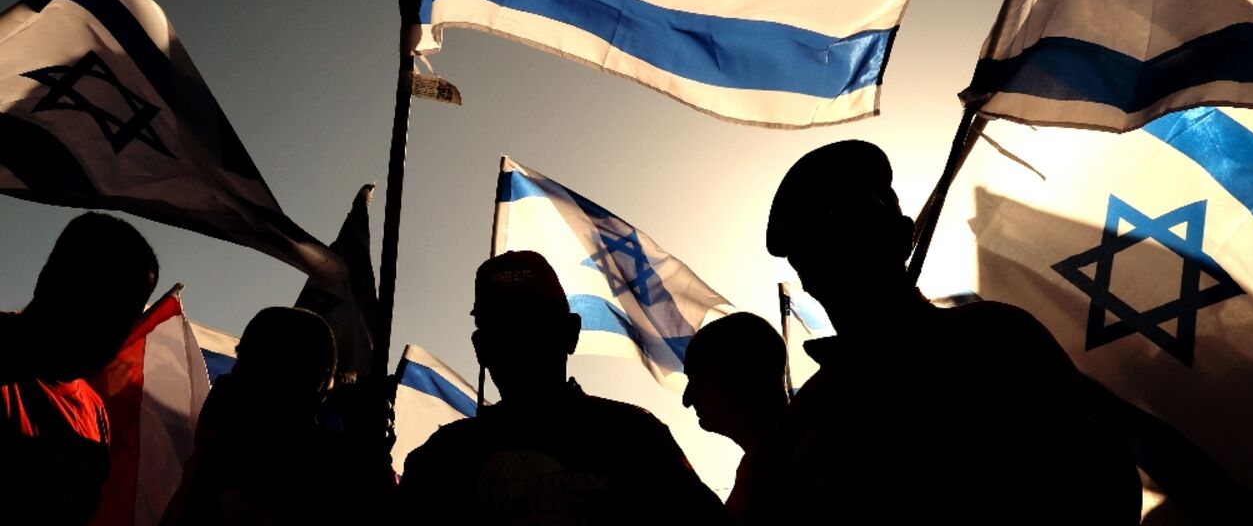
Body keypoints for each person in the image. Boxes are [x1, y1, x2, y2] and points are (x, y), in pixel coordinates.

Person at [747, 139, 1140, 525]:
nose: (832, 251)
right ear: (803, 268)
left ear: (901, 237)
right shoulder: (805, 420)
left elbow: (1107, 486)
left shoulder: (994, 339)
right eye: (814, 240)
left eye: (851, 222)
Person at [398, 250, 729, 525]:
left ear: (570, 333)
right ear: (480, 347)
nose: (520, 342)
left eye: (533, 324)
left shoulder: (634, 437)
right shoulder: (443, 459)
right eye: (504, 328)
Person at [161, 306, 394, 525]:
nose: (238, 373)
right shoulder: (218, 451)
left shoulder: (336, 476)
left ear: (313, 381)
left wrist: (372, 464)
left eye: (264, 363)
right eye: (244, 359)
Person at [0, 212, 159, 525]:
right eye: (99, 303)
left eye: (125, 317)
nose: (109, 332)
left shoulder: (94, 411)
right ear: (49, 281)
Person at [682, 312, 787, 521]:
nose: (687, 399)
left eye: (696, 378)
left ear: (739, 371)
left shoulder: (812, 461)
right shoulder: (762, 467)